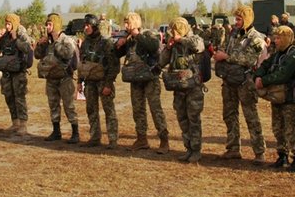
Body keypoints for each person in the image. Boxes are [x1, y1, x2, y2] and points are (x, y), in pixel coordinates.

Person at [213, 5, 266, 164]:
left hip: (245, 82)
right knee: (229, 115)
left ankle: (259, 152)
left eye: (239, 19)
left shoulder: (256, 38)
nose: (236, 22)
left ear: (247, 20)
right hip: (229, 81)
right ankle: (233, 148)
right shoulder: (233, 34)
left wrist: (226, 57)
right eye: (235, 19)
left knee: (251, 117)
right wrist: (219, 54)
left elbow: (249, 59)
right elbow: (224, 48)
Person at [115, 12, 169, 153]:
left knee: (155, 109)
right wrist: (119, 45)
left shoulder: (148, 34)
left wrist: (137, 35)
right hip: (135, 79)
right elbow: (117, 54)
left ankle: (164, 140)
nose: (125, 25)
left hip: (150, 78)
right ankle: (141, 139)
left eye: (127, 23)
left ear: (134, 23)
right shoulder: (129, 40)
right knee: (138, 109)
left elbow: (153, 47)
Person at [254, 26, 295, 171]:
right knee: (278, 128)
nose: (275, 41)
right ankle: (282, 155)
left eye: (278, 38)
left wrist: (264, 81)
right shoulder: (277, 55)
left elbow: (284, 74)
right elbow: (265, 64)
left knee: (291, 129)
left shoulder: (294, 55)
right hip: (276, 97)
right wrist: (258, 75)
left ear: (286, 39)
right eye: (275, 38)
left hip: (289, 98)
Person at [159, 17, 205, 163]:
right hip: (178, 87)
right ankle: (188, 148)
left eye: (175, 30)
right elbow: (161, 61)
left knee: (193, 119)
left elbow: (198, 46)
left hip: (193, 87)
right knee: (182, 118)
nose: (173, 33)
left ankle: (196, 150)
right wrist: (168, 47)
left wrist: (181, 40)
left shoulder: (194, 38)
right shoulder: (173, 43)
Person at [35, 13, 80, 143]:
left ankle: (75, 133)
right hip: (51, 79)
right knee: (53, 105)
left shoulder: (66, 40)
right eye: (47, 24)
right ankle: (56, 131)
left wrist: (56, 42)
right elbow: (37, 55)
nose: (47, 27)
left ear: (56, 25)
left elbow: (67, 54)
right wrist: (40, 45)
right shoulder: (47, 41)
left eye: (50, 25)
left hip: (64, 79)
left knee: (69, 106)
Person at [78, 14, 121, 148]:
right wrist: (79, 81)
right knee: (91, 110)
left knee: (109, 110)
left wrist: (108, 84)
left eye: (88, 25)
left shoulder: (106, 43)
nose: (85, 28)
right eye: (84, 25)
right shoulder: (85, 43)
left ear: (94, 26)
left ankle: (113, 139)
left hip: (103, 81)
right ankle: (95, 137)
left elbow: (114, 65)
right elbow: (82, 63)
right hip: (89, 82)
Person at [0, 13, 32, 134]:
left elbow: (27, 48)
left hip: (18, 72)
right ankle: (15, 122)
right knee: (8, 97)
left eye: (9, 24)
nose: (7, 26)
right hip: (7, 71)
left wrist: (15, 39)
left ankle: (23, 124)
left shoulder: (21, 34)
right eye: (6, 24)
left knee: (19, 97)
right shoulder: (5, 35)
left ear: (14, 24)